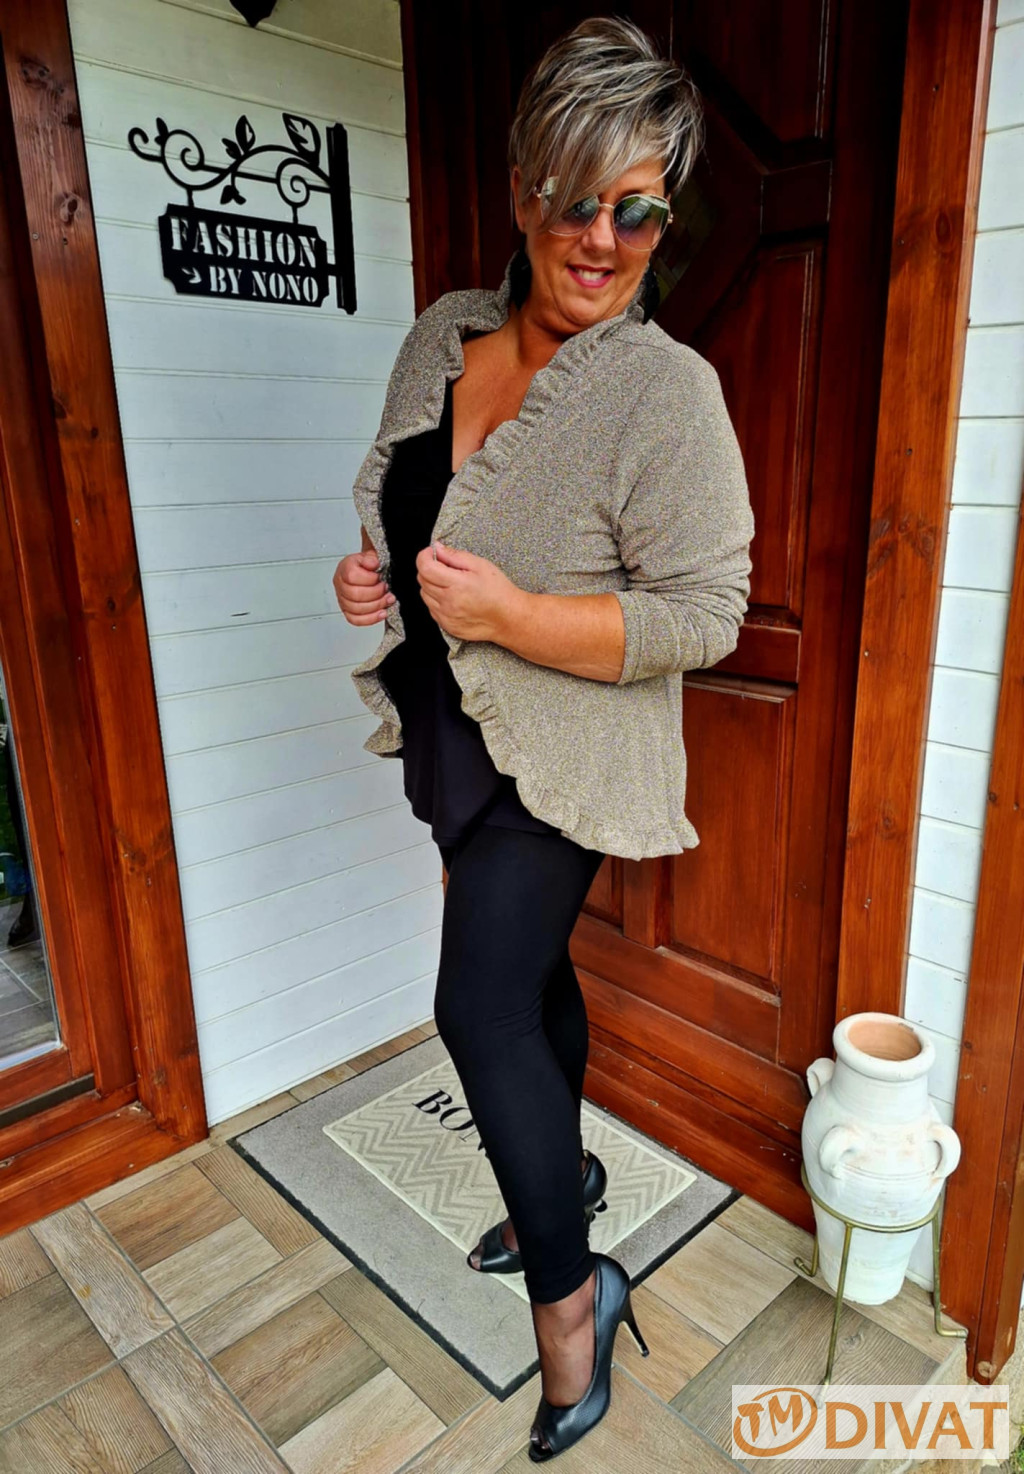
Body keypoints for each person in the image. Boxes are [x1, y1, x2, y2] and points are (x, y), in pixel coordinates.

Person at [334, 16, 755, 1461]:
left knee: (479, 1006)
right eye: (577, 200)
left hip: (567, 756)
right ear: (522, 188)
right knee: (530, 976)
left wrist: (513, 614)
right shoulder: (443, 331)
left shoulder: (663, 392)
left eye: (639, 210)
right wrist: (375, 577)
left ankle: (576, 1302)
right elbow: (399, 494)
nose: (603, 240)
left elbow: (707, 612)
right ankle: (554, 1182)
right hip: (453, 731)